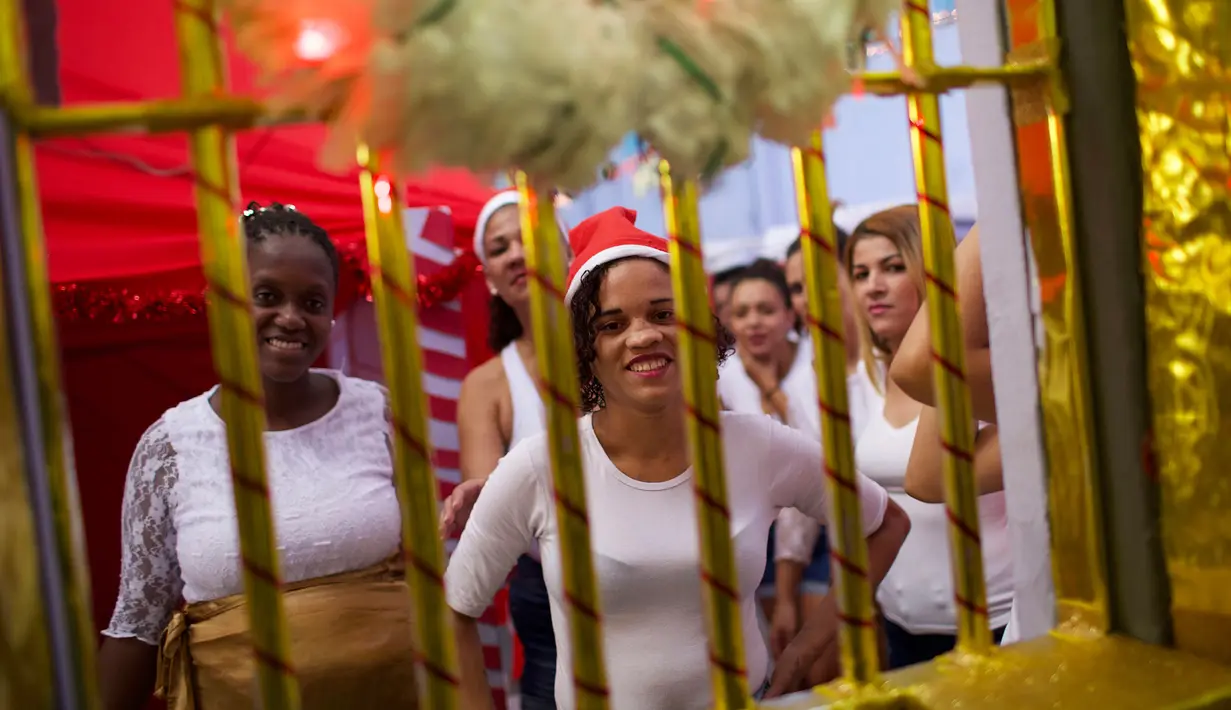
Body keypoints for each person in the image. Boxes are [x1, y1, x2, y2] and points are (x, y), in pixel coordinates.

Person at [443, 206, 910, 710]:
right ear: (586, 352)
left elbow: (885, 525)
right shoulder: (543, 466)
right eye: (613, 324)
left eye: (663, 314)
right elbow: (454, 609)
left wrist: (800, 656)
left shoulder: (758, 445)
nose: (644, 335)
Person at [98, 203, 415, 710]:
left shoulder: (377, 412)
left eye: (312, 302)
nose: (290, 318)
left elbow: (434, 580)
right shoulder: (171, 445)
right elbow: (138, 624)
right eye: (266, 296)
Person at [843, 207, 1013, 669]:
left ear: (933, 271)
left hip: (991, 620)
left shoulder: (975, 372)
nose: (873, 286)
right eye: (860, 273)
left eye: (893, 267)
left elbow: (927, 480)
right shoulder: (863, 381)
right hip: (902, 625)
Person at [454, 190, 557, 709]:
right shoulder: (486, 386)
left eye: (529, 238)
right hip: (548, 598)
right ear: (490, 277)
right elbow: (495, 512)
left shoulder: (625, 346)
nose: (517, 253)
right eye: (500, 248)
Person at [715, 259, 828, 657]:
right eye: (741, 313)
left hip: (822, 528)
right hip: (761, 535)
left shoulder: (818, 360)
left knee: (819, 661)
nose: (754, 322)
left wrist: (770, 389)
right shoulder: (723, 376)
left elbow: (819, 456)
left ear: (788, 313)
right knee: (780, 654)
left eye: (766, 309)